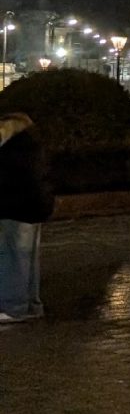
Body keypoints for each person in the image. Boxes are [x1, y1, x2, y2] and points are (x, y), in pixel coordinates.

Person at [0, 113, 55, 323]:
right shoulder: (32, 143)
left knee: (12, 257)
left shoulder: (12, 147)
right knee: (28, 259)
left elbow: (7, 179)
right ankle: (31, 305)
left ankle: (14, 307)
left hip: (13, 208)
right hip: (34, 207)